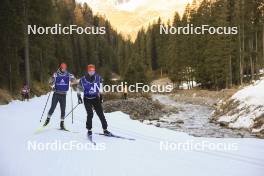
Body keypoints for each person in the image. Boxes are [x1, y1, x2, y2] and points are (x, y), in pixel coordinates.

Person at [77, 64, 111, 137]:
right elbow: (79, 88)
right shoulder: (83, 79)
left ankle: (105, 130)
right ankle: (89, 130)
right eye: (90, 70)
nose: (91, 72)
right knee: (90, 114)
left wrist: (101, 95)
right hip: (87, 99)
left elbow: (101, 86)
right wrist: (79, 96)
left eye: (93, 70)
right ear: (88, 70)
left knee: (101, 114)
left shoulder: (98, 77)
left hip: (95, 98)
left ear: (94, 70)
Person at [43, 63, 76, 130]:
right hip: (56, 94)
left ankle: (62, 123)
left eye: (64, 68)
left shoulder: (68, 74)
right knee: (52, 107)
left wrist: (73, 79)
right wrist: (52, 82)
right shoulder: (56, 74)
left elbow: (74, 80)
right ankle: (47, 120)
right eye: (62, 68)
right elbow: (50, 82)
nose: (63, 69)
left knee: (63, 110)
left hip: (63, 95)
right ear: (60, 68)